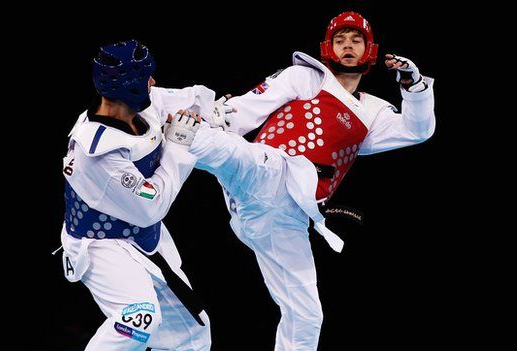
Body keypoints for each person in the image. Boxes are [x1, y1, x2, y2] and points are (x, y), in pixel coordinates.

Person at [189, 11, 436, 350]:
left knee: (306, 315)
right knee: (203, 139)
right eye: (340, 40)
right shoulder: (304, 77)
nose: (347, 46)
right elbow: (246, 110)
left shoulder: (374, 113)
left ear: (371, 51)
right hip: (268, 170)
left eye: (356, 40)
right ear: (326, 47)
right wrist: (217, 119)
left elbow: (418, 130)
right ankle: (149, 125)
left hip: (287, 216)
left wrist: (415, 86)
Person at [59, 40, 215, 351]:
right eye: (147, 78)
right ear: (130, 86)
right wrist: (178, 146)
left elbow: (195, 97)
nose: (154, 83)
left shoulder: (143, 105)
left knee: (192, 333)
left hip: (144, 238)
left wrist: (219, 114)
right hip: (102, 245)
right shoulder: (98, 151)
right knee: (138, 318)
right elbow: (152, 206)